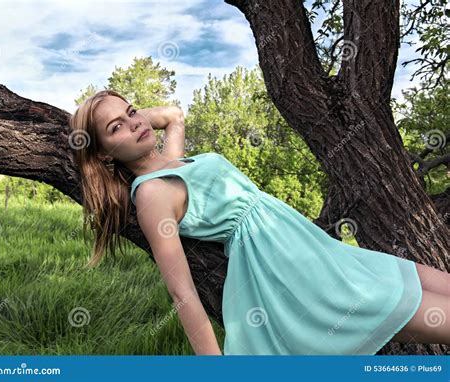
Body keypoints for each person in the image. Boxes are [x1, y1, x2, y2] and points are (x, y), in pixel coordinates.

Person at [68, 89, 450, 355]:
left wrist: (126, 120)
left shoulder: (173, 161)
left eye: (132, 111)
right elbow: (182, 293)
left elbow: (173, 116)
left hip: (319, 251)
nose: (134, 123)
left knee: (436, 283)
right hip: (294, 271)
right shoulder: (151, 195)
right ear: (102, 156)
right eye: (115, 128)